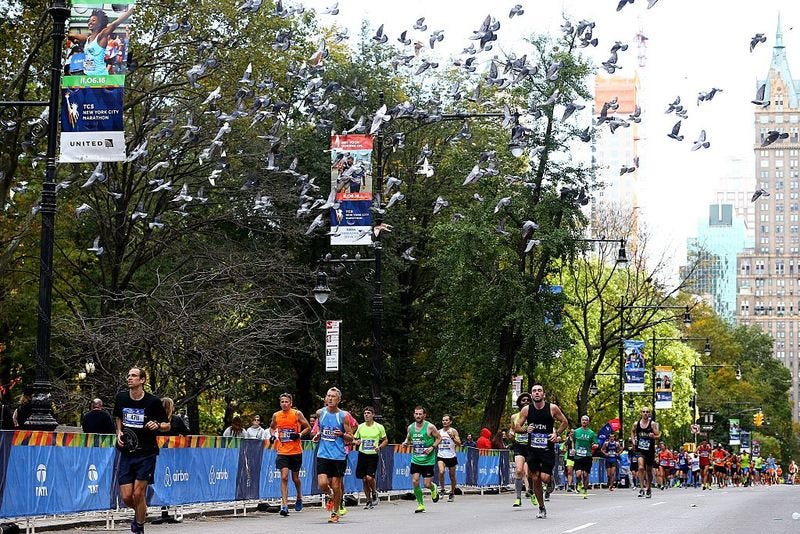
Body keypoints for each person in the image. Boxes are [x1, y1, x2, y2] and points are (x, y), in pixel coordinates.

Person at [113, 367, 168, 534]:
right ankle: (141, 512)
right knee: (126, 496)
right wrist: (119, 432)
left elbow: (167, 425)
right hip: (127, 452)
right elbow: (118, 417)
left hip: (146, 453)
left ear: (142, 380)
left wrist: (157, 425)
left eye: (134, 376)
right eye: (128, 375)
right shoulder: (121, 398)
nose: (130, 378)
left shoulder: (153, 402)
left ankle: (139, 525)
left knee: (138, 493)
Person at [513, 382, 569, 519]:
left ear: (543, 394)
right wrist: (526, 429)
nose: (537, 393)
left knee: (545, 477)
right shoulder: (526, 410)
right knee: (535, 477)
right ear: (532, 394)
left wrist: (556, 434)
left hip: (547, 448)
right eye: (534, 391)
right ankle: (541, 506)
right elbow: (517, 427)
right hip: (532, 449)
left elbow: (564, 422)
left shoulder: (552, 408)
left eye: (539, 390)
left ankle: (550, 482)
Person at [313, 387, 353, 524]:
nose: (330, 398)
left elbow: (351, 437)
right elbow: (319, 429)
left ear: (339, 400)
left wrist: (342, 434)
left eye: (333, 396)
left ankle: (335, 512)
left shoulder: (343, 416)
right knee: (322, 484)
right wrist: (318, 435)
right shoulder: (320, 413)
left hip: (338, 455)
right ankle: (330, 495)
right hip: (323, 453)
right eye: (328, 396)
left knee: (336, 486)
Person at [270, 393, 311, 517]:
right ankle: (285, 505)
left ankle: (299, 496)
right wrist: (273, 435)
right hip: (282, 451)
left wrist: (298, 435)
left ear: (291, 403)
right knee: (284, 477)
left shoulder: (296, 414)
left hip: (296, 451)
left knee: (295, 478)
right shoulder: (276, 415)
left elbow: (308, 427)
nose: (284, 404)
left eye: (286, 402)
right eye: (282, 402)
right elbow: (272, 427)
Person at [68, 6, 135, 76]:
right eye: (89, 20)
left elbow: (115, 23)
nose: (90, 22)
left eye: (93, 20)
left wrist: (130, 12)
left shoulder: (101, 36)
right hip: (87, 77)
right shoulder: (87, 38)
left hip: (100, 77)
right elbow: (73, 36)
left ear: (99, 24)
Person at [402, 406, 442, 514]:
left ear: (424, 415)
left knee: (426, 484)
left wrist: (432, 447)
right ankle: (420, 504)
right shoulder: (410, 427)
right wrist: (405, 442)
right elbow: (409, 438)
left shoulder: (430, 427)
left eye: (420, 414)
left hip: (428, 460)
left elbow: (439, 438)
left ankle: (433, 488)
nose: (418, 416)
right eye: (416, 414)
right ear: (414, 415)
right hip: (416, 459)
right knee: (415, 481)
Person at [353, 406, 387, 509]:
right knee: (364, 479)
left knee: (369, 477)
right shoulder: (360, 427)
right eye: (365, 413)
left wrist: (379, 447)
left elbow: (385, 440)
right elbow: (353, 439)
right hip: (362, 454)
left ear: (373, 415)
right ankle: (368, 501)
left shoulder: (379, 427)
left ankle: (374, 492)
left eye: (368, 413)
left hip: (373, 455)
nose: (366, 415)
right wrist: (356, 442)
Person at [630, 406, 660, 498]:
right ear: (641, 413)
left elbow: (658, 435)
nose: (645, 413)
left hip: (650, 450)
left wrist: (653, 436)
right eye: (643, 411)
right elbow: (632, 431)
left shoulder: (652, 424)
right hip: (640, 450)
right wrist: (633, 440)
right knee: (641, 467)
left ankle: (649, 488)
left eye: (647, 412)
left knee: (649, 471)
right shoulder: (636, 424)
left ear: (649, 413)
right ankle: (641, 488)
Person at [510, 393, 532, 507]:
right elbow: (512, 430)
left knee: (529, 474)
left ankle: (532, 491)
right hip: (519, 445)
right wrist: (510, 435)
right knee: (519, 471)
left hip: (531, 446)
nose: (526, 401)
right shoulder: (515, 417)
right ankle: (518, 498)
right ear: (520, 403)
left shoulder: (534, 415)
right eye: (523, 400)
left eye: (528, 400)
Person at [437, 413, 461, 502]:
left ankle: (452, 493)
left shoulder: (453, 431)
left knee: (452, 476)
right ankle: (442, 489)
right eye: (443, 420)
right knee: (441, 471)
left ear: (450, 422)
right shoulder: (439, 431)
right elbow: (434, 441)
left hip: (451, 456)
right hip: (441, 455)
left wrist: (452, 437)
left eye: (446, 420)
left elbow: (459, 443)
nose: (444, 422)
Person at [572, 415, 598, 499]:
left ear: (588, 422)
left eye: (586, 420)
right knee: (578, 474)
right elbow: (573, 441)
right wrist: (573, 449)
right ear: (581, 421)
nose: (584, 421)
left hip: (587, 455)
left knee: (586, 475)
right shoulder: (576, 431)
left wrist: (595, 445)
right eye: (583, 420)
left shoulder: (591, 433)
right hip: (578, 455)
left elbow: (595, 443)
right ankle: (579, 483)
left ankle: (585, 491)